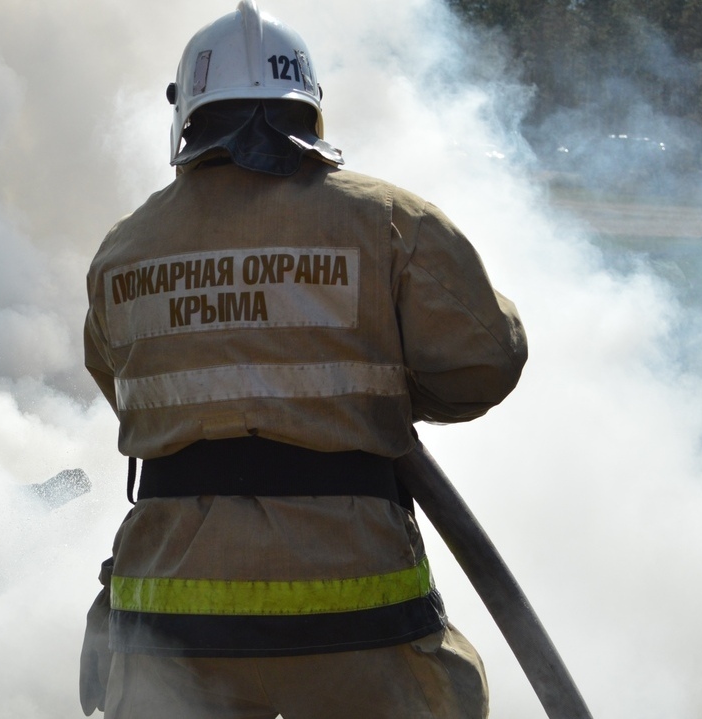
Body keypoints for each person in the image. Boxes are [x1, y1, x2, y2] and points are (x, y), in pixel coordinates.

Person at [79, 2, 527, 717]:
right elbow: (485, 362)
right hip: (357, 610)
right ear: (309, 106)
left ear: (187, 113)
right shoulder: (387, 220)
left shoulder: (123, 248)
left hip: (169, 620)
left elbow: (128, 392)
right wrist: (373, 397)